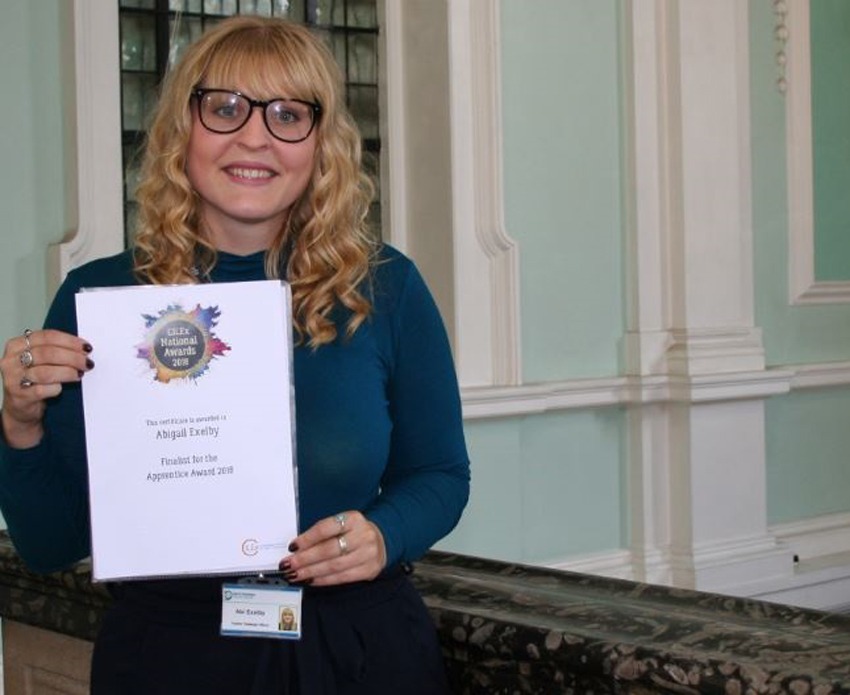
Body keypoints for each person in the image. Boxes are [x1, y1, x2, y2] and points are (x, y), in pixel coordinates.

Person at [0, 16, 469, 694]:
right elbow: (49, 543)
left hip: (356, 651)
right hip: (170, 655)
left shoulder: (384, 286)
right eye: (224, 109)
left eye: (287, 114)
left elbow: (440, 473)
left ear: (320, 144)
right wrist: (19, 423)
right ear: (180, 131)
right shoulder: (104, 301)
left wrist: (383, 533)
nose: (255, 137)